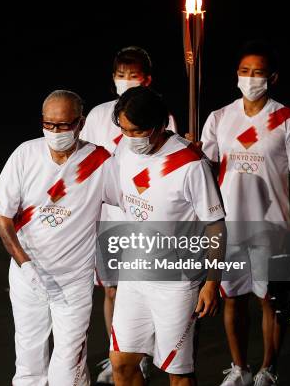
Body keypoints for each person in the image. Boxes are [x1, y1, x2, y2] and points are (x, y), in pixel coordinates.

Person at [198, 40, 290, 386]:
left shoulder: (287, 119)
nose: (250, 78)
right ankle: (239, 368)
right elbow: (202, 165)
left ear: (272, 77)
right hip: (229, 226)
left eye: (258, 72)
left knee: (269, 302)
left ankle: (267, 368)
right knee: (232, 300)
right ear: (237, 75)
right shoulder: (220, 117)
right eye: (245, 71)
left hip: (271, 225)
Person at [0, 90, 113, 385]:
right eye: (49, 125)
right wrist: (25, 264)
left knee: (68, 366)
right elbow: (1, 215)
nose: (55, 132)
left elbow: (135, 194)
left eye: (64, 126)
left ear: (80, 123)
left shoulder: (99, 161)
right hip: (27, 276)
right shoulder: (25, 154)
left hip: (73, 281)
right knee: (29, 360)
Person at [105, 86, 226, 386]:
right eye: (124, 129)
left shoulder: (191, 165)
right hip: (133, 277)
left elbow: (216, 226)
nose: (130, 137)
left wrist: (212, 281)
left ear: (160, 125)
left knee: (178, 373)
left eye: (138, 131)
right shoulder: (124, 148)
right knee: (121, 364)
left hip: (176, 284)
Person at [79, 46, 178, 384]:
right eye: (120, 76)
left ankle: (144, 355)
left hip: (146, 219)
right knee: (111, 290)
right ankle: (118, 352)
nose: (125, 81)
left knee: (147, 289)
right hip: (109, 217)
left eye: (132, 76)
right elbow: (85, 163)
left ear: (147, 80)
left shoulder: (160, 117)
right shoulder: (97, 116)